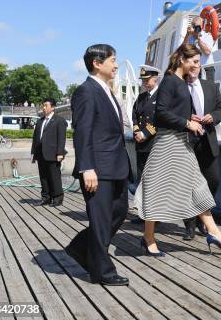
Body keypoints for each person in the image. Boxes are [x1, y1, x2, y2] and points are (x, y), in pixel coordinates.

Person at [134, 44, 221, 256]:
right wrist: (187, 123)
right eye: (195, 62)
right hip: (167, 143)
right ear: (182, 60)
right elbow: (159, 114)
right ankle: (148, 237)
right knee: (155, 190)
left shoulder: (180, 82)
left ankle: (214, 232)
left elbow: (173, 112)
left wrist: (190, 119)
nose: (197, 66)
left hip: (180, 142)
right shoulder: (170, 80)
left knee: (198, 186)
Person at [65, 44, 131, 287]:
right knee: (101, 220)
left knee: (119, 211)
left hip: (116, 166)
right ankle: (102, 271)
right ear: (97, 63)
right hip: (98, 169)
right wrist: (86, 167)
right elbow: (83, 131)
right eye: (113, 60)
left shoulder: (106, 91)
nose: (116, 65)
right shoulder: (86, 91)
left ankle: (81, 247)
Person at [182, 59, 221, 240]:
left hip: (207, 141)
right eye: (191, 65)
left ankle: (202, 218)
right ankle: (190, 224)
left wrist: (212, 117)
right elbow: (169, 112)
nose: (194, 68)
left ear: (200, 68)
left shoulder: (211, 86)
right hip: (187, 141)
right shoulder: (179, 87)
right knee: (187, 185)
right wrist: (186, 118)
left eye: (197, 65)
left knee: (213, 181)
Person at [130, 65, 161, 197]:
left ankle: (155, 216)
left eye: (147, 80)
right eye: (143, 81)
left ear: (155, 79)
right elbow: (135, 115)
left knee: (154, 180)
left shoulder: (162, 97)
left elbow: (160, 119)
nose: (145, 83)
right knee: (142, 179)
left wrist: (145, 133)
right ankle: (143, 214)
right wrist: (137, 132)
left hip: (154, 144)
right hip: (141, 144)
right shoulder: (141, 97)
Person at [31, 98, 67, 207]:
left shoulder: (59, 120)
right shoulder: (40, 121)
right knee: (43, 177)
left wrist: (60, 153)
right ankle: (46, 197)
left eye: (46, 105)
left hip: (53, 154)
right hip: (41, 153)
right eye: (43, 105)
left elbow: (61, 138)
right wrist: (34, 153)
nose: (44, 107)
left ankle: (57, 198)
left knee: (54, 177)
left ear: (52, 107)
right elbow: (36, 138)